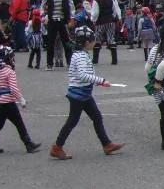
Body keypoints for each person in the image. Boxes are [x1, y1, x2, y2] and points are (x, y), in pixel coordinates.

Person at [49, 26, 123, 160]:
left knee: (96, 117)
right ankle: (57, 147)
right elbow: (83, 75)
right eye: (93, 40)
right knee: (73, 121)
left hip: (83, 93)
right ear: (87, 42)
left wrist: (97, 82)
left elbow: (85, 74)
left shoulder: (80, 54)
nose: (94, 43)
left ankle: (106, 144)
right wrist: (101, 80)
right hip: (78, 94)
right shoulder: (81, 56)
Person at [0, 46, 40, 155]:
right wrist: (21, 99)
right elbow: (13, 88)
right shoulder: (9, 71)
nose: (13, 59)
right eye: (11, 57)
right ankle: (28, 144)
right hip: (8, 102)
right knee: (19, 123)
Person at [40, 0, 74, 71]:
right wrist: (43, 16)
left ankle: (70, 63)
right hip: (52, 21)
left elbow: (72, 6)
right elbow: (42, 5)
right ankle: (49, 64)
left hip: (63, 21)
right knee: (50, 43)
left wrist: (71, 18)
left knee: (67, 42)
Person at [91, 0, 121, 65]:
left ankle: (95, 59)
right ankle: (114, 60)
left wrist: (93, 20)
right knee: (111, 39)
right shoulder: (111, 0)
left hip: (100, 22)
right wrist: (113, 18)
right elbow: (114, 11)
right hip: (110, 21)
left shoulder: (97, 1)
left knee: (98, 39)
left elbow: (95, 13)